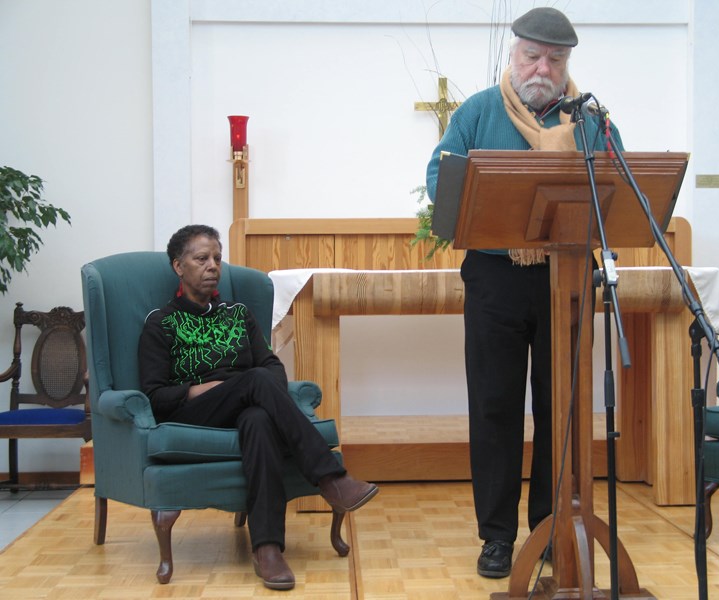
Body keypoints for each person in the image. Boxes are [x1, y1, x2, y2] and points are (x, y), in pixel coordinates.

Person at [425, 7, 624, 578]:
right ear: (512, 56)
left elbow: (616, 182)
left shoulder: (590, 121)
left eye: (555, 59)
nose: (542, 68)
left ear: (567, 64)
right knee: (494, 406)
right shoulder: (477, 113)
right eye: (532, 56)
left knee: (560, 408)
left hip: (566, 280)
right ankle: (496, 537)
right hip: (494, 280)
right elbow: (442, 183)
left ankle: (552, 526)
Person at [137, 224, 379, 591]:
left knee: (259, 416)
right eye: (201, 259)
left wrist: (247, 388)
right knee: (255, 381)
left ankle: (267, 550)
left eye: (217, 258)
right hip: (194, 411)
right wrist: (203, 389)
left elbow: (271, 368)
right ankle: (331, 478)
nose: (213, 266)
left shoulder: (238, 314)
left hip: (248, 404)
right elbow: (154, 397)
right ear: (178, 266)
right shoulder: (161, 323)